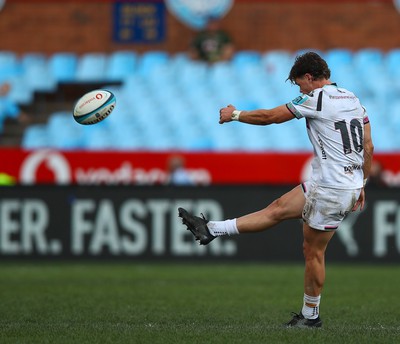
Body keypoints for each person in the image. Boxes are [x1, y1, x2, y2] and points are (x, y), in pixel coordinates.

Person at [178, 52, 374, 328]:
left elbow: (271, 116)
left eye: (299, 84)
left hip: (332, 187)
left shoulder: (316, 98)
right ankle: (212, 229)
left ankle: (310, 317)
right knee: (278, 208)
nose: (300, 90)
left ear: (309, 77)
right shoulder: (353, 100)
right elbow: (368, 146)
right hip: (341, 183)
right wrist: (362, 183)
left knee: (313, 251)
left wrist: (234, 114)